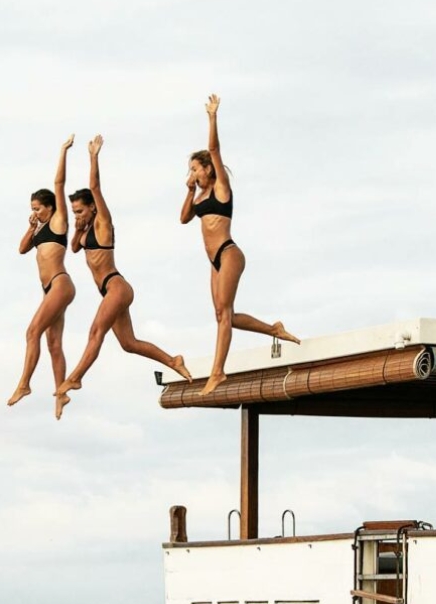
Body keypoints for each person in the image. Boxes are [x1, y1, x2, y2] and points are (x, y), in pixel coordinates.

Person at [55, 135, 191, 406]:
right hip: (109, 290)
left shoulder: (103, 222)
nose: (76, 215)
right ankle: (173, 360)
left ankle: (76, 376)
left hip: (116, 286)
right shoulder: (84, 229)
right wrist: (78, 228)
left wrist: (93, 157)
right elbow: (72, 249)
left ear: (93, 207)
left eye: (80, 210)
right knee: (128, 344)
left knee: (96, 331)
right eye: (73, 211)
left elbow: (94, 186)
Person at [182, 94, 301, 396]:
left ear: (208, 169)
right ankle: (274, 328)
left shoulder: (222, 186)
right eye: (191, 170)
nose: (192, 173)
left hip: (229, 253)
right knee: (225, 317)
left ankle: (217, 372)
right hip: (213, 262)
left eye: (195, 169)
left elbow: (214, 148)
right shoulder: (197, 197)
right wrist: (187, 191)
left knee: (224, 315)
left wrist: (212, 117)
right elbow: (184, 218)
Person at [8, 135, 76, 420]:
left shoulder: (59, 220)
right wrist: (31, 226)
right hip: (49, 289)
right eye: (32, 208)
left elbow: (59, 185)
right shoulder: (38, 228)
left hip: (60, 283)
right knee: (53, 344)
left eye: (37, 207)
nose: (34, 211)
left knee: (31, 332)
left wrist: (62, 151)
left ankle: (24, 384)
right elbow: (22, 249)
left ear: (49, 207)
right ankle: (61, 394)